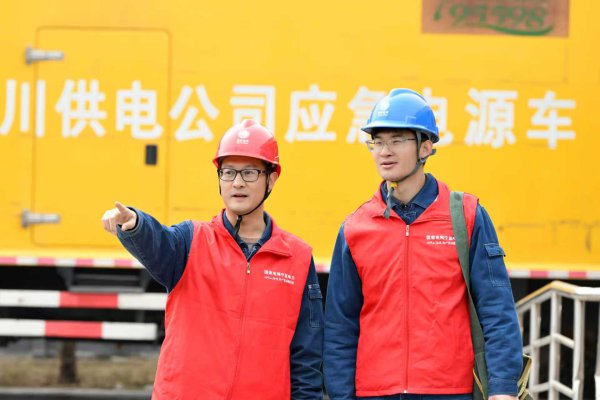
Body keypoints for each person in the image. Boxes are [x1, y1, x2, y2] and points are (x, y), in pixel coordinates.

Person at [102, 119, 324, 400]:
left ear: (271, 179)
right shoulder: (190, 241)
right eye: (228, 172)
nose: (237, 182)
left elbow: (306, 357)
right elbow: (158, 242)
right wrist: (136, 224)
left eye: (250, 172)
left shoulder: (297, 258)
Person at [323, 89, 522, 400]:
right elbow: (340, 326)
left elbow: (496, 307)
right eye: (377, 142)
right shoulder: (355, 228)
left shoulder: (466, 216)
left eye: (397, 140)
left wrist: (503, 387)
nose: (384, 151)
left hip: (449, 392)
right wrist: (340, 395)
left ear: (426, 148)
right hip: (376, 392)